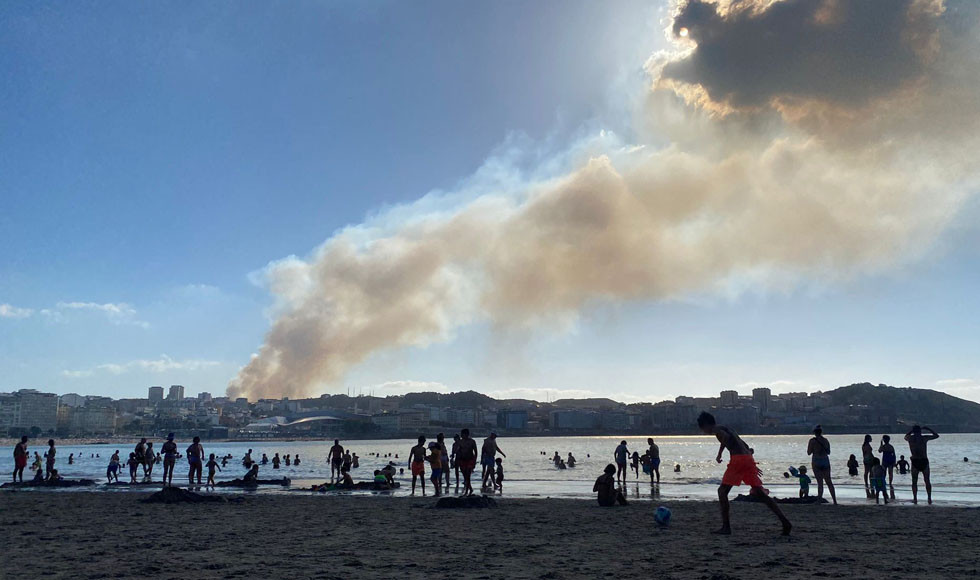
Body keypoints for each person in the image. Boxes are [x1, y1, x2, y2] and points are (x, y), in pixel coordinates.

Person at [697, 411, 791, 536]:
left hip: (738, 460)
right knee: (760, 494)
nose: (704, 432)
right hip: (747, 458)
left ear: (706, 424)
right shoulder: (728, 428)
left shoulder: (717, 430)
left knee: (722, 492)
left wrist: (719, 453)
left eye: (703, 428)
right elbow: (746, 446)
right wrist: (750, 463)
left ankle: (726, 527)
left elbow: (724, 437)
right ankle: (785, 522)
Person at [905, 425, 939, 504]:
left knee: (914, 482)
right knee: (926, 481)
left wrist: (911, 431)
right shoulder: (924, 438)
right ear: (920, 431)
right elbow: (936, 435)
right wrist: (928, 429)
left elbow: (905, 436)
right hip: (922, 460)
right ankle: (929, 498)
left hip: (916, 461)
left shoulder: (910, 438)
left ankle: (915, 498)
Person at [806, 425, 837, 504]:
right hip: (825, 460)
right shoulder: (826, 440)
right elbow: (828, 452)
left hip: (816, 460)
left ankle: (819, 500)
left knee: (820, 483)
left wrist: (815, 449)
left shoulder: (812, 441)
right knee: (829, 481)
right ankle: (834, 500)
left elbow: (809, 452)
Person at [457, 429, 478, 496]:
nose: (461, 435)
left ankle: (467, 490)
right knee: (465, 476)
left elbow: (476, 452)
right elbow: (458, 451)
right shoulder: (460, 442)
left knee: (468, 475)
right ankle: (470, 488)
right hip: (462, 460)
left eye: (462, 434)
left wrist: (474, 461)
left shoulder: (472, 441)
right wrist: (457, 460)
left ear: (466, 434)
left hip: (470, 459)